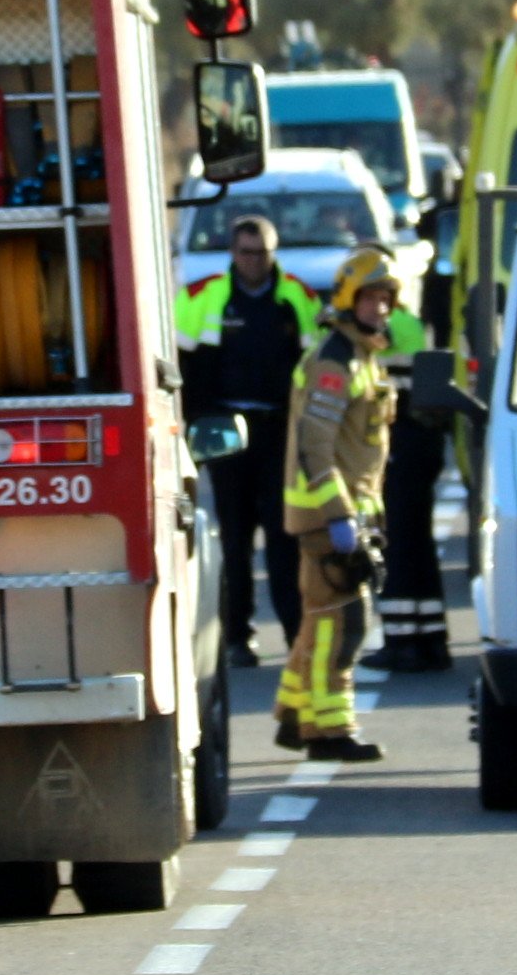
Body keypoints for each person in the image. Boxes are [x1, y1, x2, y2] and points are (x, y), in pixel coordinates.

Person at [171, 213, 319, 664]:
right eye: (246, 252)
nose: (254, 262)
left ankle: (296, 633)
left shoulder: (299, 297)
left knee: (283, 533)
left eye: (263, 253)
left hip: (278, 431)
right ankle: (237, 636)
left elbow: (315, 370)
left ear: (275, 253)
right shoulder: (202, 296)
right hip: (226, 431)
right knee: (233, 538)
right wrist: (194, 432)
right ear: (232, 253)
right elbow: (181, 368)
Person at [277, 243, 401, 764]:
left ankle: (293, 714)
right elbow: (316, 443)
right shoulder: (338, 360)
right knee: (342, 623)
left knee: (317, 617)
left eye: (386, 300)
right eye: (371, 298)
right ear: (351, 298)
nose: (380, 309)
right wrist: (341, 517)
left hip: (343, 513)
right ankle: (329, 731)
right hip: (329, 517)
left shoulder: (362, 355)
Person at [375, 277, 451, 673]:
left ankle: (403, 640)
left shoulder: (386, 327)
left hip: (398, 442)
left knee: (398, 544)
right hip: (421, 442)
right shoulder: (409, 323)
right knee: (417, 544)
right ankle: (431, 638)